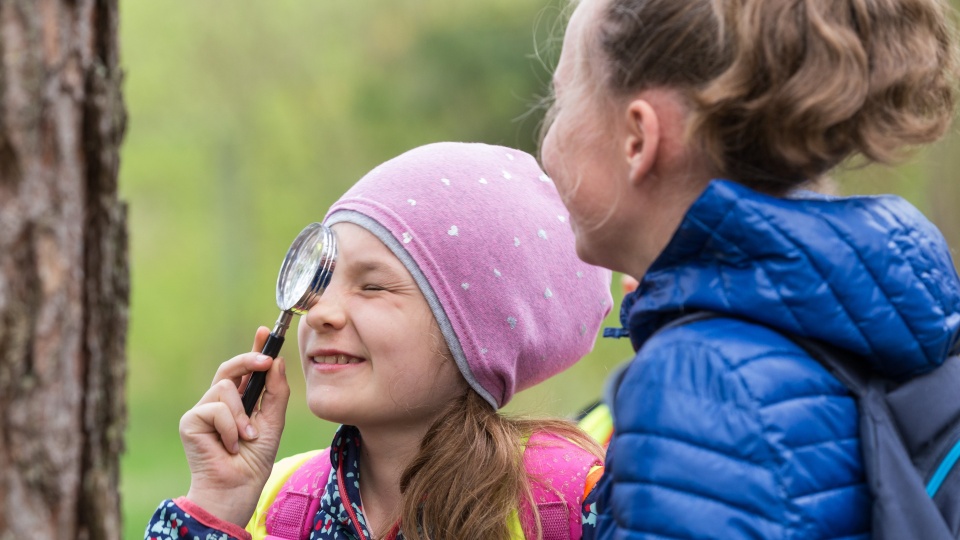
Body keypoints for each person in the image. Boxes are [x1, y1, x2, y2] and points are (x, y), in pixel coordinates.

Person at [540, 0, 960, 538]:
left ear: (637, 140)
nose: (547, 141)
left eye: (559, 100)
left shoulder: (702, 384)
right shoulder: (860, 316)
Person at [144, 142, 613, 540]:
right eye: (320, 283)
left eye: (372, 286)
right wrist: (217, 503)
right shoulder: (281, 502)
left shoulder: (570, 502)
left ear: (479, 334)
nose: (321, 312)